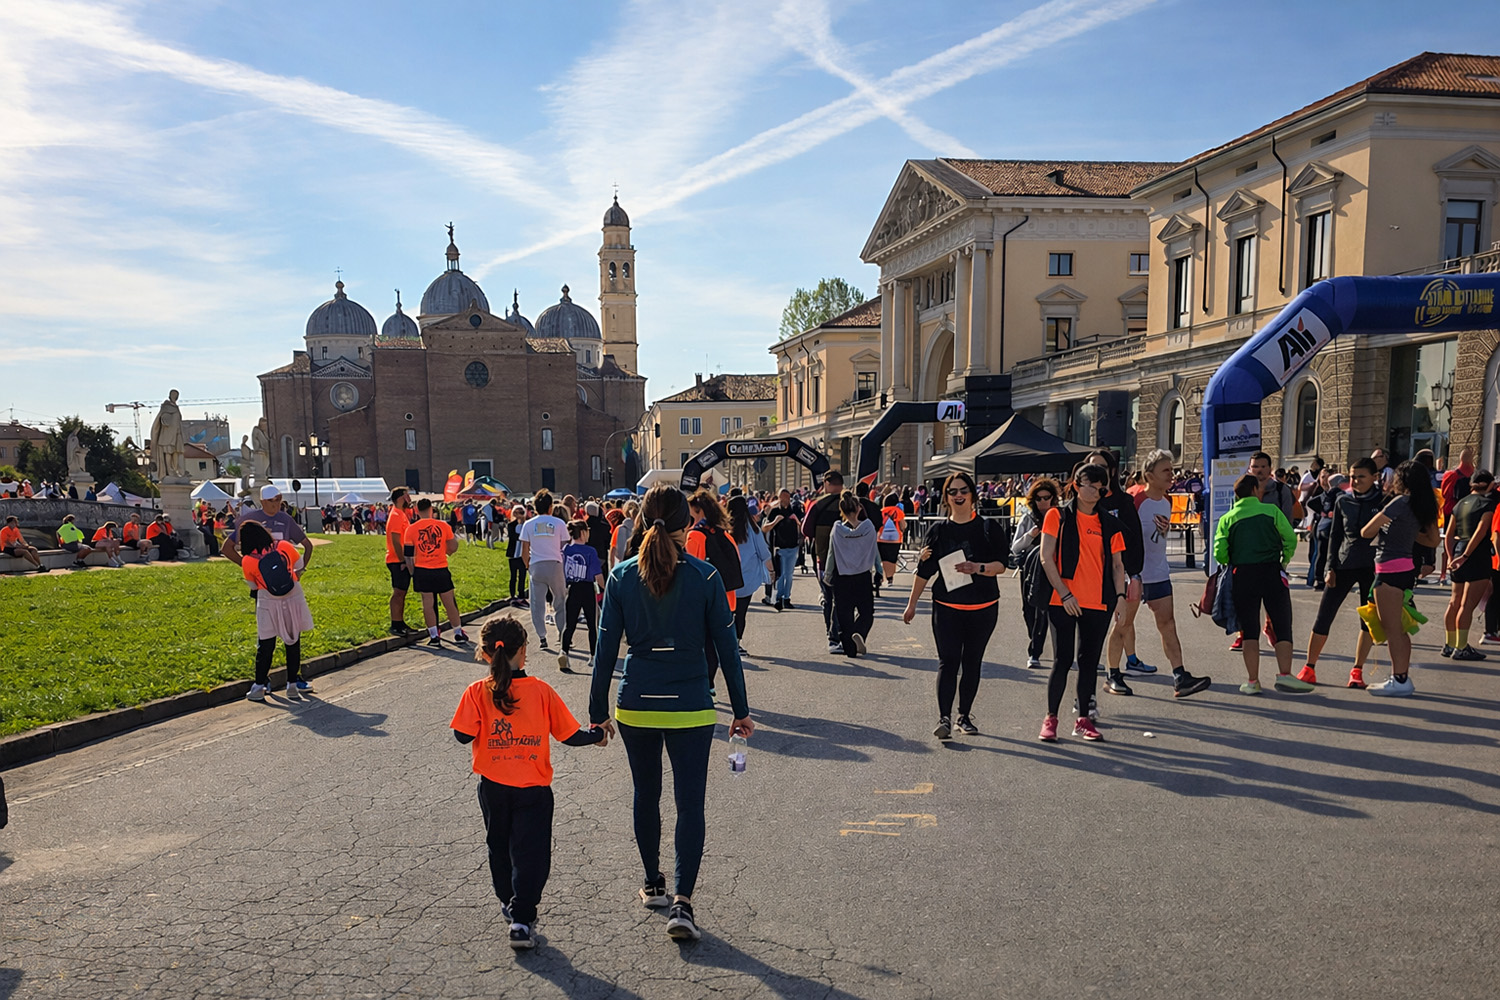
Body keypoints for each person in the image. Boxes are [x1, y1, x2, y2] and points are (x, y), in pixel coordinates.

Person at [589, 485, 753, 943]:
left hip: (636, 704)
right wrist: (740, 710)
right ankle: (683, 901)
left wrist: (597, 712)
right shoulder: (705, 577)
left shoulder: (621, 576)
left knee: (646, 793)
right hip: (691, 706)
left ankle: (653, 883)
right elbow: (727, 649)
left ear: (642, 520)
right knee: (690, 804)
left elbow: (605, 651)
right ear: (688, 524)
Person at [450, 616, 608, 951]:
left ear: (485, 652)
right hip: (533, 789)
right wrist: (596, 734)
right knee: (531, 852)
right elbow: (569, 735)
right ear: (524, 651)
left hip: (493, 786)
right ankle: (522, 917)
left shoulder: (477, 692)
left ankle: (508, 901)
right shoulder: (540, 691)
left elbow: (462, 736)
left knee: (500, 845)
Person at [903, 471, 1010, 740]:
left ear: (972, 494)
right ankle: (945, 718)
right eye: (953, 492)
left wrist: (979, 567)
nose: (958, 495)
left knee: (972, 662)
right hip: (947, 607)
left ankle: (964, 715)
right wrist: (912, 604)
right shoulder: (938, 531)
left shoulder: (988, 528)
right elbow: (924, 570)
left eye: (963, 490)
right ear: (946, 498)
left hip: (983, 608)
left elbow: (1002, 565)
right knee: (948, 661)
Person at [1108, 450, 1212, 698]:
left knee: (1168, 625)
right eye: (1166, 470)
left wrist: (1162, 531)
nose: (1172, 475)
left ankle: (1180, 677)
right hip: (1134, 575)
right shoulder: (1133, 499)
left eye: (1172, 470)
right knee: (1123, 624)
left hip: (1159, 573)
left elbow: (1159, 537)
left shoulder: (1166, 501)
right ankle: (1113, 674)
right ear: (1149, 475)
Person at [1035, 464, 1125, 742]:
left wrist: (1120, 597)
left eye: (1101, 485)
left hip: (1098, 601)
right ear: (1076, 484)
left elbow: (1118, 565)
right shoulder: (1057, 515)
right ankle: (1050, 719)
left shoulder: (1109, 522)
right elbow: (1045, 557)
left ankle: (1083, 719)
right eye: (1090, 484)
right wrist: (1064, 593)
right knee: (1062, 659)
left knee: (1088, 663)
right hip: (1063, 599)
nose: (1097, 490)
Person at [1214, 474, 1312, 695]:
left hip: (1242, 575)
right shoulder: (1272, 512)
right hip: (1271, 571)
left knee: (1249, 629)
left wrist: (1233, 558)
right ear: (1255, 490)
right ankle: (1285, 675)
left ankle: (1252, 681)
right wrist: (1283, 559)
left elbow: (1219, 553)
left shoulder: (1227, 518)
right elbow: (1289, 538)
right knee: (1282, 623)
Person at [1358, 460, 1442, 695]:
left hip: (1388, 568)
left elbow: (1367, 531)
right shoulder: (1424, 504)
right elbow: (1434, 541)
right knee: (1399, 628)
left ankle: (1400, 679)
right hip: (1406, 567)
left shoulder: (1400, 502)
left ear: (1402, 481)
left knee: (1392, 629)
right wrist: (1410, 537)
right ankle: (1401, 677)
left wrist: (1393, 532)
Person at [1299, 459, 1384, 688]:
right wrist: (1329, 568)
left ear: (1375, 477)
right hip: (1344, 564)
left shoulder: (1385, 500)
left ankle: (1357, 671)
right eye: (1352, 476)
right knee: (1324, 615)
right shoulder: (1343, 499)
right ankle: (1309, 668)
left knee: (1366, 621)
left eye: (1361, 477)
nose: (1355, 481)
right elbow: (1335, 536)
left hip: (1373, 567)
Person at [238, 520, 315, 702]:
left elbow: (253, 585)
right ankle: (292, 685)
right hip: (292, 594)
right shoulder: (283, 546)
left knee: (266, 643)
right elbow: (299, 564)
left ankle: (258, 686)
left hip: (267, 599)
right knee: (293, 640)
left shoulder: (248, 560)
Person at [685, 489, 743, 687]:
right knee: (719, 649)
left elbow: (691, 568)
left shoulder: (695, 536)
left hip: (703, 602)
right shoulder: (725, 535)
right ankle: (717, 687)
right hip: (728, 599)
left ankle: (705, 686)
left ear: (698, 511)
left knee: (702, 648)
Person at [225, 485, 315, 602]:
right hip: (262, 583)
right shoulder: (251, 520)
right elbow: (227, 548)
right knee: (267, 617)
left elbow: (307, 545)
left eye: (278, 500)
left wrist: (300, 570)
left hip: (285, 580)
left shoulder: (286, 519)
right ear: (262, 502)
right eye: (271, 500)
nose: (275, 504)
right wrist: (247, 564)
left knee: (290, 617)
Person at [1442, 469, 1495, 661]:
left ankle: (1450, 643)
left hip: (1457, 550)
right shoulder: (1487, 503)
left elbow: (1448, 534)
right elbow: (1481, 531)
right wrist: (1466, 555)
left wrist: (1451, 556)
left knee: (1454, 602)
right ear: (1489, 485)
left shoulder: (1460, 504)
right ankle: (1461, 647)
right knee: (1467, 605)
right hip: (1476, 554)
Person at [1011, 478, 1059, 669]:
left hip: (1053, 568)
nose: (1043, 502)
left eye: (1047, 498)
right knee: (1028, 609)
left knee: (1044, 610)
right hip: (1030, 569)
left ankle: (1035, 651)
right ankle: (1034, 639)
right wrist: (1030, 534)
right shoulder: (1028, 518)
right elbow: (1015, 547)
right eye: (1039, 499)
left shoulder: (1059, 517)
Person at [408, 497, 468, 647]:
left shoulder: (411, 529)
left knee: (428, 604)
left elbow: (408, 555)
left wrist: (412, 572)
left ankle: (434, 636)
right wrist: (446, 550)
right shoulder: (443, 526)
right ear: (431, 509)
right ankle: (458, 632)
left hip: (422, 568)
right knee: (449, 602)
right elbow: (453, 547)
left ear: (416, 510)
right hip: (440, 567)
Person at [827, 491, 881, 658]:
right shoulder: (869, 528)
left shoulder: (837, 530)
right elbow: (875, 550)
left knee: (844, 613)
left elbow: (831, 553)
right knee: (866, 612)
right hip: (863, 575)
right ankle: (859, 632)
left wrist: (828, 574)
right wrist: (879, 569)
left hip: (842, 575)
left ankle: (849, 648)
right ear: (859, 508)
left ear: (841, 509)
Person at [801, 471, 846, 653]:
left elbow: (806, 530)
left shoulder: (818, 505)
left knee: (830, 597)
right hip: (852, 561)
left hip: (824, 558)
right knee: (846, 599)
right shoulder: (852, 502)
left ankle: (832, 635)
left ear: (827, 484)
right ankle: (844, 633)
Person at [520, 491, 569, 651]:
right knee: (560, 600)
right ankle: (562, 633)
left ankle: (542, 636)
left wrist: (529, 566)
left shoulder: (528, 524)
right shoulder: (559, 523)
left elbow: (524, 550)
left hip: (536, 564)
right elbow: (564, 546)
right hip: (555, 564)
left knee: (537, 603)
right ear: (550, 507)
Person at [728, 495, 772, 653]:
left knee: (726, 613)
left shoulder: (724, 527)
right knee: (741, 613)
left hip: (726, 578)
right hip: (746, 579)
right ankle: (737, 642)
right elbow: (764, 553)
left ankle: (725, 642)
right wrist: (772, 572)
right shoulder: (752, 528)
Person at [560, 519, 605, 671]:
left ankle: (564, 652)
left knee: (570, 625)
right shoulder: (590, 551)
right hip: (587, 588)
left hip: (572, 588)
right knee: (592, 624)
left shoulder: (566, 549)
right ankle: (593, 655)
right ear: (584, 532)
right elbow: (598, 575)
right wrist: (606, 588)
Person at [382, 488, 415, 635]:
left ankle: (400, 623)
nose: (409, 497)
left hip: (401, 559)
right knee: (399, 592)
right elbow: (395, 541)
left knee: (402, 592)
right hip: (397, 560)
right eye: (407, 494)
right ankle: (395, 624)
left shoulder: (401, 513)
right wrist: (403, 560)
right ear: (401, 497)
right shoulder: (395, 514)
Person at [763, 489, 802, 611]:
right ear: (779, 498)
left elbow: (803, 527)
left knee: (789, 574)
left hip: (793, 547)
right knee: (782, 574)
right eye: (783, 497)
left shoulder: (795, 509)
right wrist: (776, 521)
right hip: (780, 548)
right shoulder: (775, 511)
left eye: (787, 497)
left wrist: (797, 521)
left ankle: (787, 598)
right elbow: (765, 528)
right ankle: (779, 597)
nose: (786, 500)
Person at [876, 492, 906, 587]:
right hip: (895, 539)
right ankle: (890, 578)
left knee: (883, 559)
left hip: (881, 538)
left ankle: (883, 576)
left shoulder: (881, 511)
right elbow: (902, 525)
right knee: (892, 559)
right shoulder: (898, 511)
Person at [506, 504, 529, 602]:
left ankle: (521, 594)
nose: (519, 515)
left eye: (522, 512)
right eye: (517, 513)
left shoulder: (526, 525)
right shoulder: (511, 525)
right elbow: (513, 536)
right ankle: (512, 594)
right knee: (513, 576)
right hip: (513, 554)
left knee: (522, 575)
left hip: (522, 554)